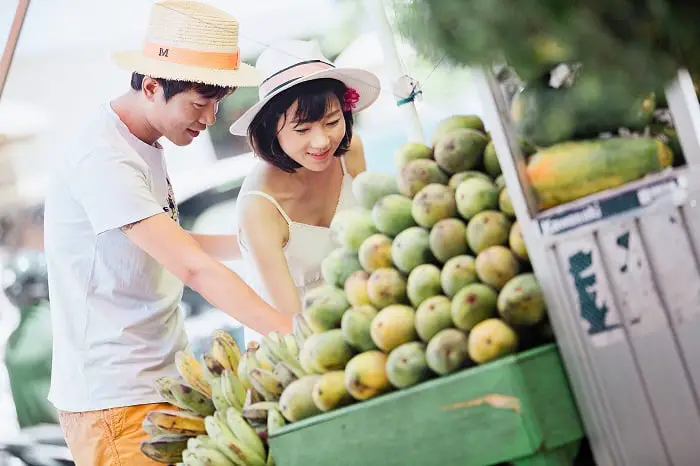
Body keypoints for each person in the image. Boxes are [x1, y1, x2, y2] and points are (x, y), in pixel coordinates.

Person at [42, 2, 292, 465]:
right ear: (153, 85)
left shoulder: (143, 144)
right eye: (200, 103)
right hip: (117, 402)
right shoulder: (103, 157)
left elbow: (171, 244)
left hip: (165, 382)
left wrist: (262, 242)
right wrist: (291, 334)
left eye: (216, 103)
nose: (209, 119)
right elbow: (192, 268)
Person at [229, 40, 381, 344]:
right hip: (297, 343)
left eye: (332, 122)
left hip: (364, 318)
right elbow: (293, 321)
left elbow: (373, 242)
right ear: (271, 130)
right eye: (302, 130)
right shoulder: (259, 208)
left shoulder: (350, 153)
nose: (322, 141)